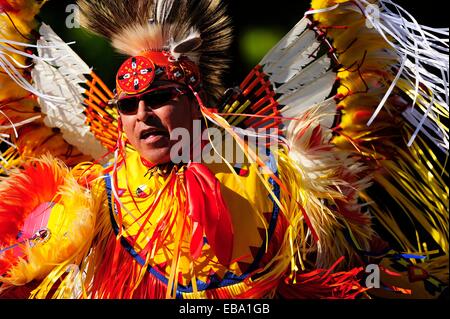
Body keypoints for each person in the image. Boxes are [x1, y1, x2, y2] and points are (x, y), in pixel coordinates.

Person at [0, 0, 448, 299]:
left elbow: (356, 257)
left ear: (196, 104)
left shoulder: (281, 172)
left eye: (159, 98)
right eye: (129, 106)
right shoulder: (93, 198)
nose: (143, 116)